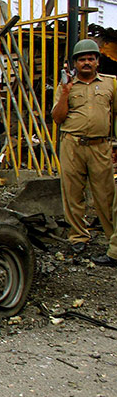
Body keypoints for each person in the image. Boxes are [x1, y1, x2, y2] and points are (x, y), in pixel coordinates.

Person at [51, 38, 116, 255]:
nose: (86, 62)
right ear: (76, 63)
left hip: (101, 146)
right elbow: (58, 119)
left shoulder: (110, 84)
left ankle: (113, 240)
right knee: (73, 194)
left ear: (98, 61)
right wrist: (66, 92)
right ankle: (78, 236)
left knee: (106, 195)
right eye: (82, 59)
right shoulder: (65, 86)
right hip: (72, 144)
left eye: (91, 58)